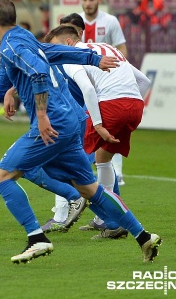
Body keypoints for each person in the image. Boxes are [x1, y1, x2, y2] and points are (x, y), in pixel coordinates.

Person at [0, 0, 161, 264]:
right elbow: (52, 55)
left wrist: (40, 116)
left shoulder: (11, 45)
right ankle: (144, 237)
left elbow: (39, 72)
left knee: (1, 176)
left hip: (53, 121)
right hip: (72, 119)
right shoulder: (23, 38)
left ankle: (36, 239)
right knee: (90, 189)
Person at [45, 25, 152, 239]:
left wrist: (97, 123)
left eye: (55, 47)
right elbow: (145, 81)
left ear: (67, 43)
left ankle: (81, 204)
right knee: (102, 159)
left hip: (111, 105)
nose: (53, 54)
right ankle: (109, 220)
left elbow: (88, 89)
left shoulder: (72, 56)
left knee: (69, 159)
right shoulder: (106, 47)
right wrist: (128, 108)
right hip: (135, 105)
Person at [79, 0, 129, 226]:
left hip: (105, 88)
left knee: (103, 143)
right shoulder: (75, 22)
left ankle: (106, 210)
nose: (88, 3)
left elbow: (121, 49)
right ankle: (107, 214)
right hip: (84, 86)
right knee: (98, 147)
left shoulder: (109, 22)